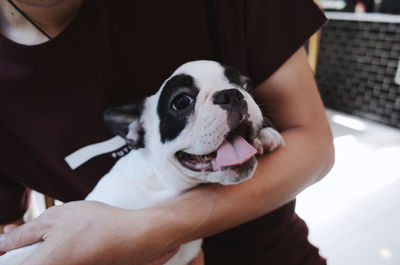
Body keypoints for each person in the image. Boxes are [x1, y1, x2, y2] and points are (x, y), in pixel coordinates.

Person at [0, 0, 335, 264]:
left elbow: (315, 143)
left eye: (239, 87)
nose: (231, 97)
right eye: (182, 103)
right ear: (137, 130)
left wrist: (145, 231)